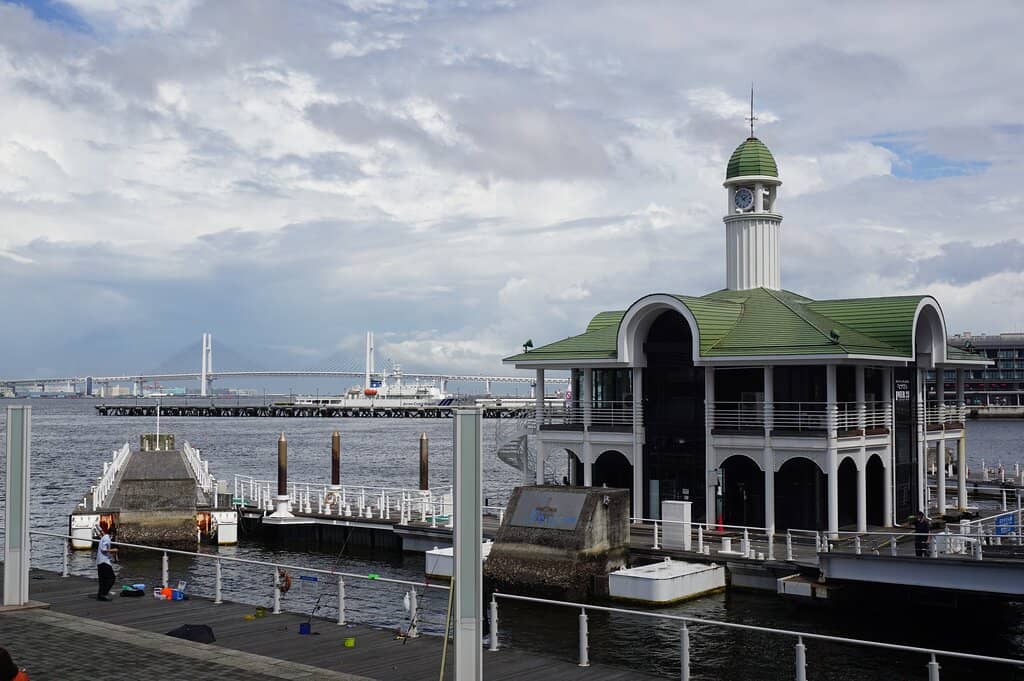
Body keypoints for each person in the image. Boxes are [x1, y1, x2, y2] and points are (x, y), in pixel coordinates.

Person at [96, 522, 118, 601]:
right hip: (104, 562)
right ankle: (104, 593)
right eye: (114, 535)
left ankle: (100, 594)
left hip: (100, 561)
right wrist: (113, 550)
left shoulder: (104, 537)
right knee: (111, 578)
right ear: (112, 533)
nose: (113, 537)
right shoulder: (107, 538)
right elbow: (104, 549)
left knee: (103, 580)